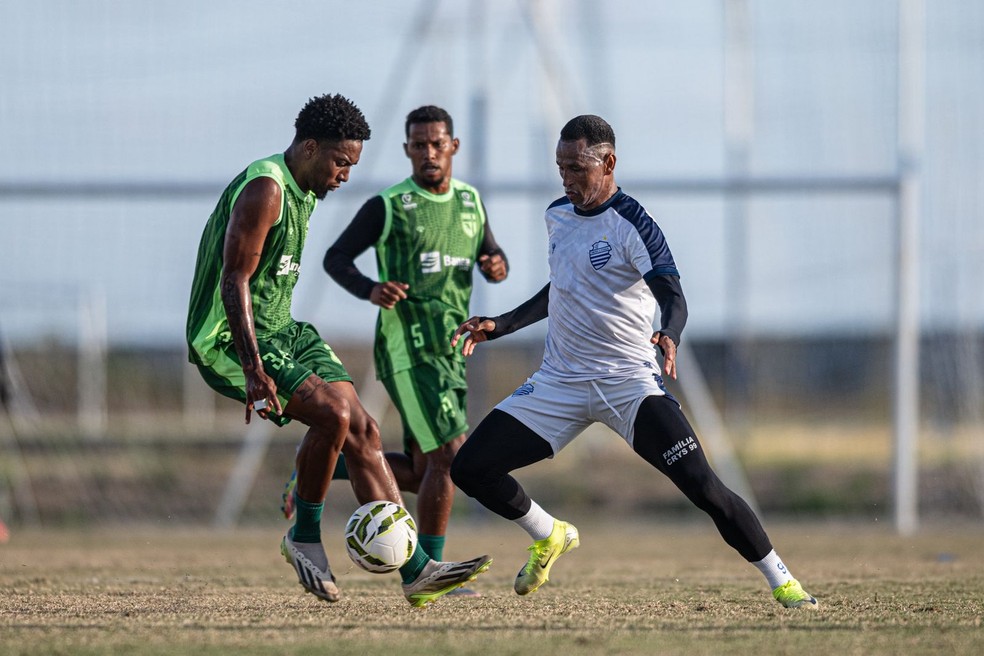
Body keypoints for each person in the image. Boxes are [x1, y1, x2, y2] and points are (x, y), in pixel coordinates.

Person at [449, 114, 818, 609]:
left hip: (628, 383)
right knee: (470, 468)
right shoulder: (557, 215)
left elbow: (672, 293)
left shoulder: (634, 224)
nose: (567, 179)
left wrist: (670, 332)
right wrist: (501, 324)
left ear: (608, 163)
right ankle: (549, 533)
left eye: (577, 168)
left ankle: (784, 582)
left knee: (704, 487)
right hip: (560, 382)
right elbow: (562, 288)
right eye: (560, 168)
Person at [185, 93, 491, 608]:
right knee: (333, 415)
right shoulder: (267, 189)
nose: (345, 175)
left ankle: (417, 570)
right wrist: (254, 368)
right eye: (341, 162)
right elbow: (234, 278)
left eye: (352, 165)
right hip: (228, 339)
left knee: (364, 429)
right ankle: (304, 538)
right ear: (310, 147)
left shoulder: (304, 188)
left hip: (284, 329)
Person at [281, 105, 508, 598]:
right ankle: (428, 574)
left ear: (453, 147)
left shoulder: (470, 201)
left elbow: (493, 254)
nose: (429, 153)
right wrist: (370, 289)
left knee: (427, 472)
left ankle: (320, 467)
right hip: (409, 348)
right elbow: (336, 258)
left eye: (437, 143)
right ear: (407, 149)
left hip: (454, 350)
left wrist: (496, 264)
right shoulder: (389, 205)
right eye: (419, 145)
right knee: (451, 457)